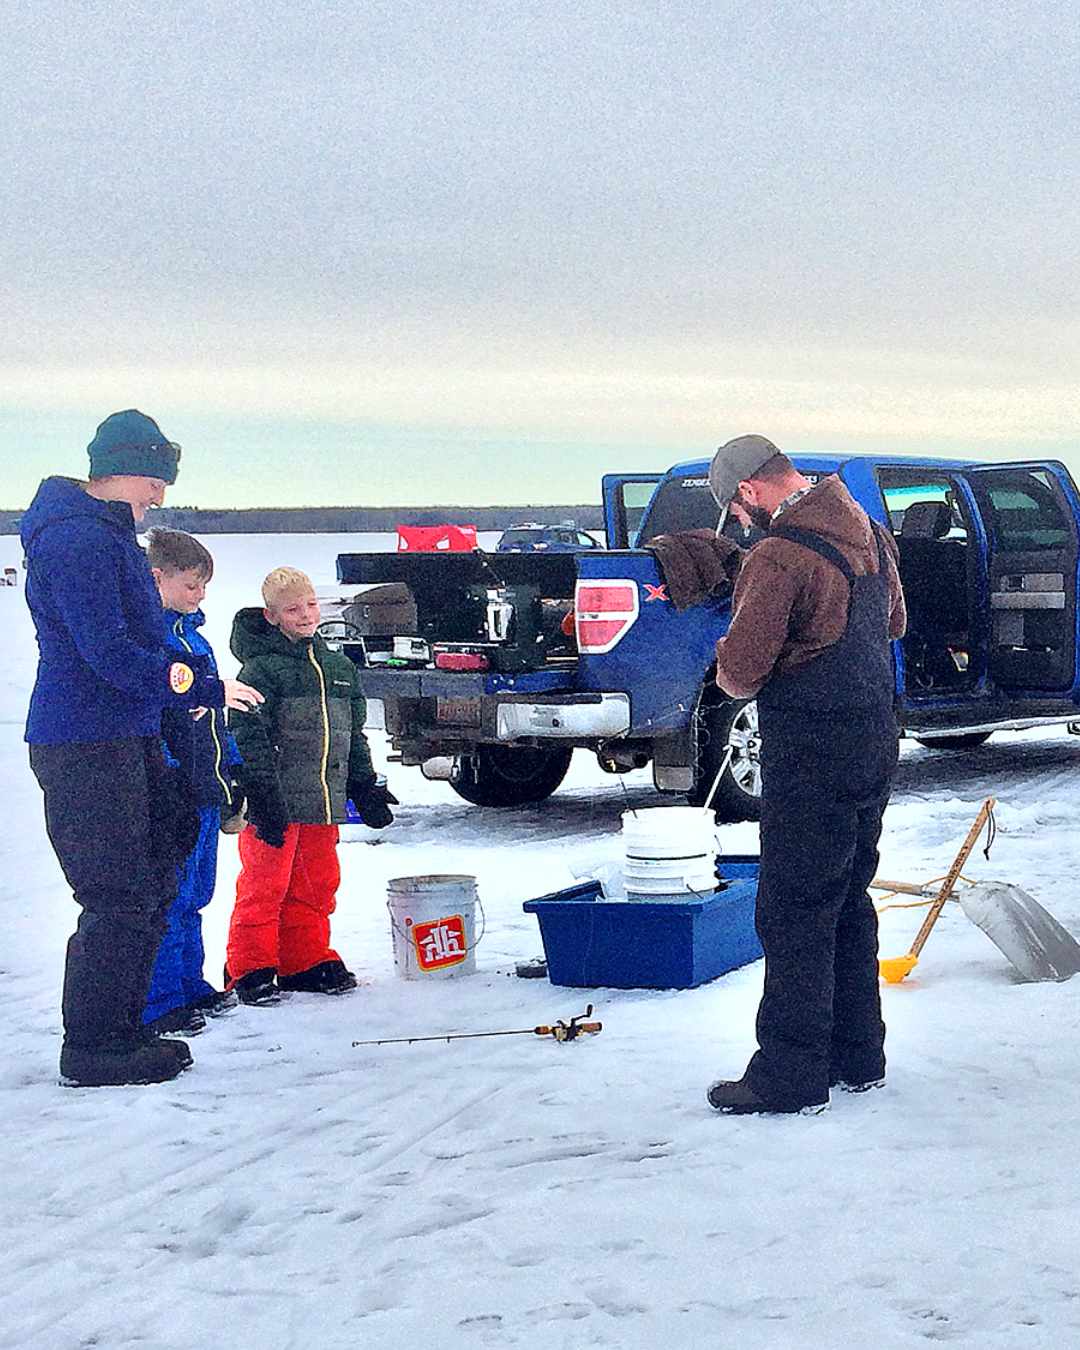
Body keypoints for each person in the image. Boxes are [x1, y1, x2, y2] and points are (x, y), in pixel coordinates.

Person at [22, 409, 262, 1088]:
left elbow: (146, 648)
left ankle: (127, 1029)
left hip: (128, 733)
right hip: (84, 740)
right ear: (123, 468)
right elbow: (111, 655)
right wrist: (193, 682)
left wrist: (187, 682)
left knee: (160, 865)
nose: (159, 495)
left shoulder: (109, 539)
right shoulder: (78, 543)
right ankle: (95, 1046)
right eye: (154, 480)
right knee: (118, 891)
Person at [703, 434, 906, 1115]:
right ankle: (859, 1056)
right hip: (873, 738)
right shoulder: (871, 535)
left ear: (750, 491)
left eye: (735, 508)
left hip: (813, 750)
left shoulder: (778, 555)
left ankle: (789, 1075)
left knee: (793, 912)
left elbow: (739, 674)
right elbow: (894, 623)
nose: (738, 520)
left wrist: (729, 641)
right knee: (849, 897)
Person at [224, 567, 397, 1005]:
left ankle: (303, 958)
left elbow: (352, 734)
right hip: (275, 803)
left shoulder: (338, 669)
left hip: (322, 800)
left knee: (316, 884)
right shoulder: (260, 670)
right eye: (292, 609)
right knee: (265, 886)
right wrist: (260, 793)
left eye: (311, 605)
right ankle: (250, 966)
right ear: (272, 616)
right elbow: (246, 733)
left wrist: (363, 784)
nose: (305, 615)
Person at [143, 528, 244, 1037]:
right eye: (190, 586)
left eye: (203, 587)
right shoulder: (150, 639)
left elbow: (215, 715)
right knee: (172, 895)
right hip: (174, 787)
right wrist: (167, 773)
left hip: (207, 785)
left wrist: (233, 767)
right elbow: (157, 713)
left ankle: (190, 983)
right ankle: (160, 999)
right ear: (157, 577)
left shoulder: (195, 638)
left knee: (198, 893)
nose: (199, 595)